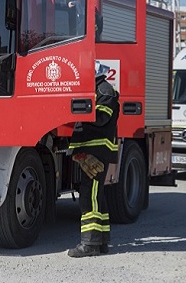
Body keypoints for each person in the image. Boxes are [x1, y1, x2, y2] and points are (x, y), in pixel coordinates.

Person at [67, 61, 120, 257]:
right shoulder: (99, 90)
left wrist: (77, 107)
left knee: (89, 196)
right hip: (92, 149)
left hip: (97, 149)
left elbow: (101, 118)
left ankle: (89, 244)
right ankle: (102, 241)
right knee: (97, 195)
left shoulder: (105, 91)